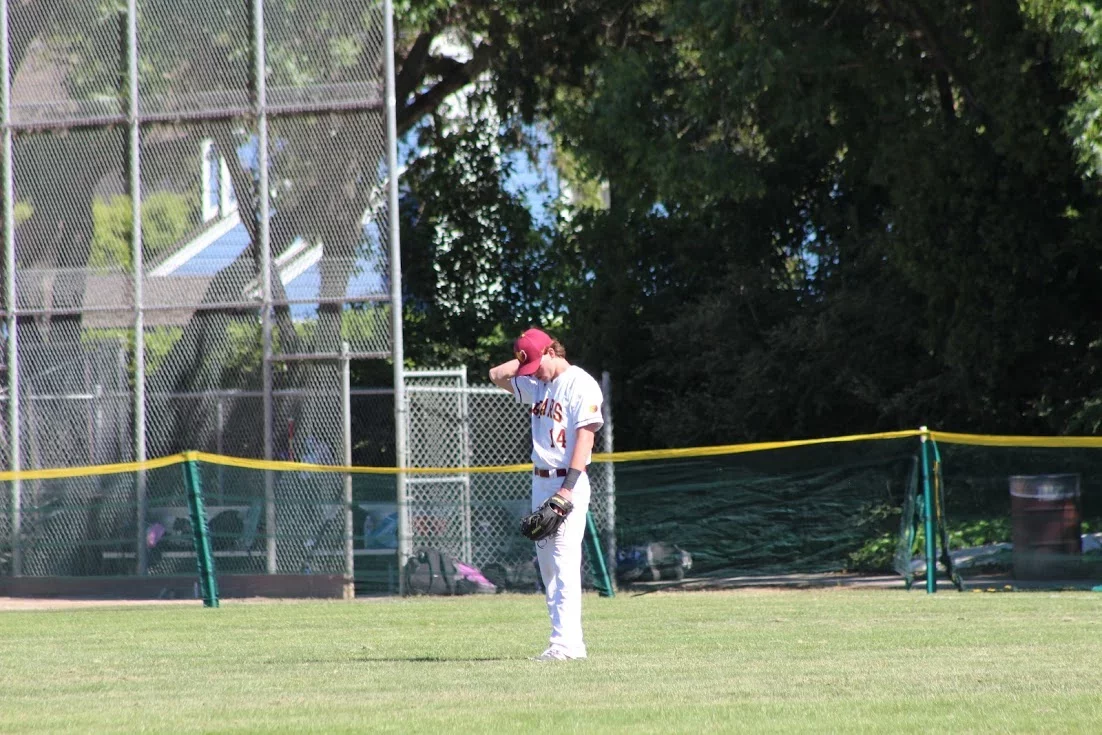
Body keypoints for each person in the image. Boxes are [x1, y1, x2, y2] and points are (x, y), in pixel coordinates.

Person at [489, 327, 604, 661]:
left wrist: (566, 490)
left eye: (539, 362)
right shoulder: (538, 383)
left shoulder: (581, 384)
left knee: (563, 562)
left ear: (554, 351)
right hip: (540, 480)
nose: (533, 371)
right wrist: (526, 358)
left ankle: (567, 645)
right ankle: (563, 642)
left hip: (566, 480)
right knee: (548, 567)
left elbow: (586, 439)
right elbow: (496, 374)